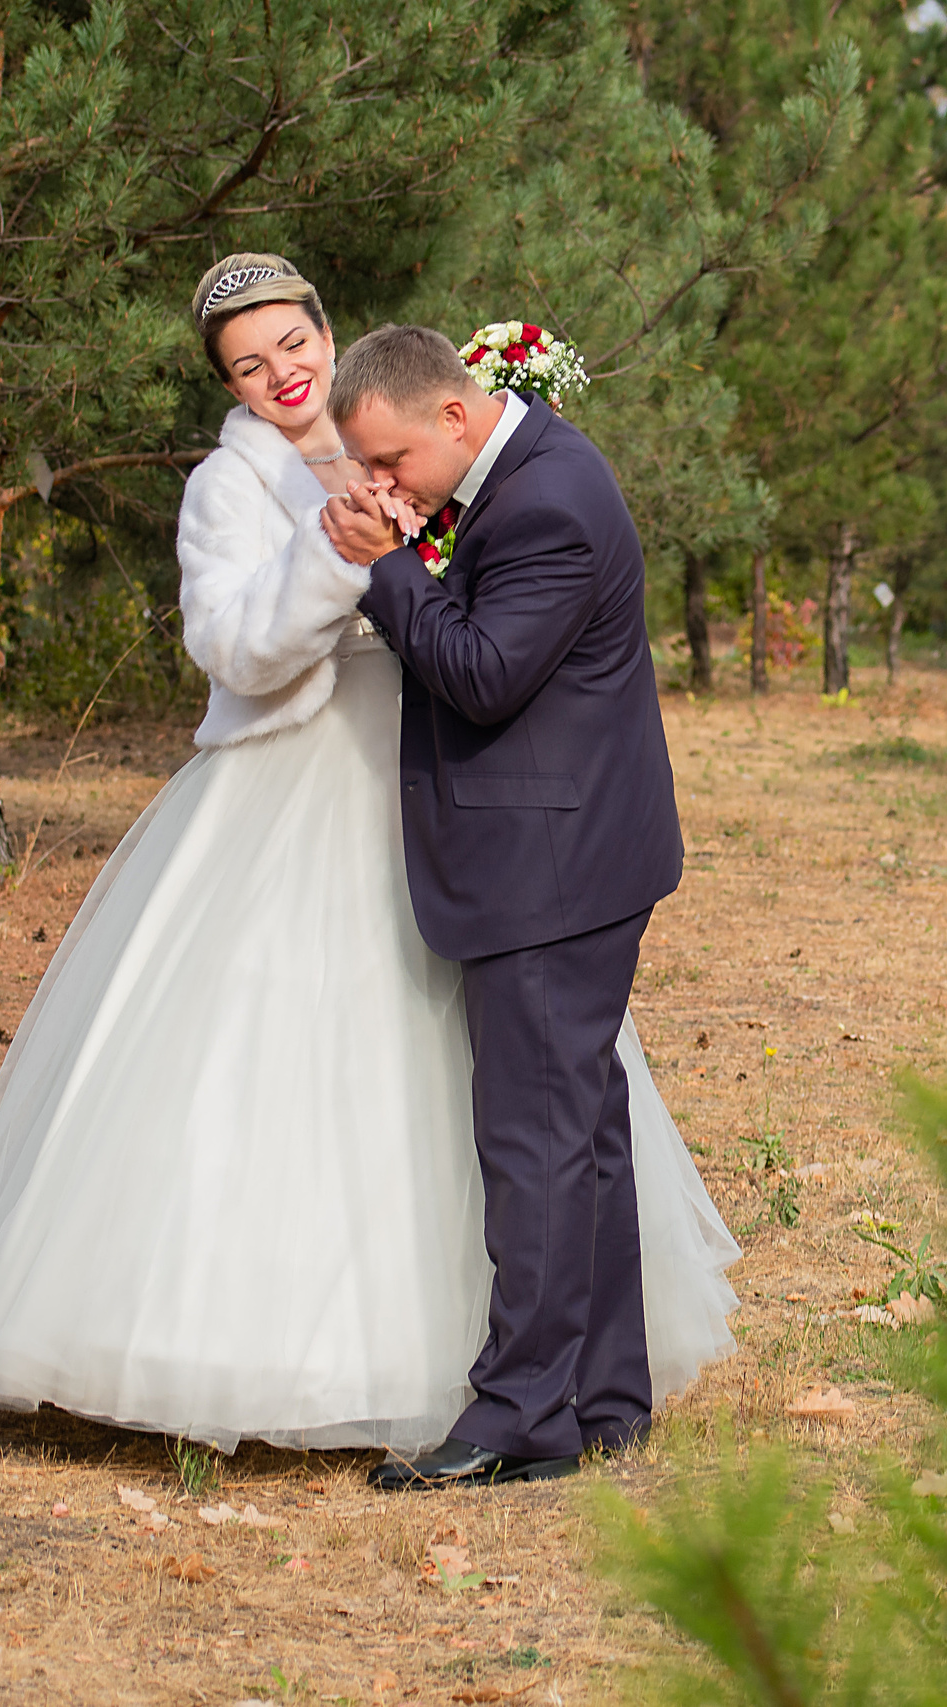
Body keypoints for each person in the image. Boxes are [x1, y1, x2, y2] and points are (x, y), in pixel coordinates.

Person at [0, 256, 736, 1454]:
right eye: (246, 365)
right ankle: (302, 1360)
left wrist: (397, 551)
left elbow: (500, 617)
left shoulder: (409, 425)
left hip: (467, 798)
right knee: (299, 1074)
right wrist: (337, 558)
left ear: (325, 327)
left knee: (540, 1110)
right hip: (308, 785)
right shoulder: (229, 487)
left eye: (289, 344)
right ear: (226, 382)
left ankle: (562, 1390)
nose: (280, 374)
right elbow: (237, 651)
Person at [319, 326, 684, 1490]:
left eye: (389, 461)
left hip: (550, 867)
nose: (382, 486)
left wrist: (386, 568)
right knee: (584, 1141)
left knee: (533, 1144)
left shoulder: (545, 505)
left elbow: (479, 674)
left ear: (455, 419)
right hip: (575, 847)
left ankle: (522, 1415)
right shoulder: (522, 474)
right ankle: (603, 1397)